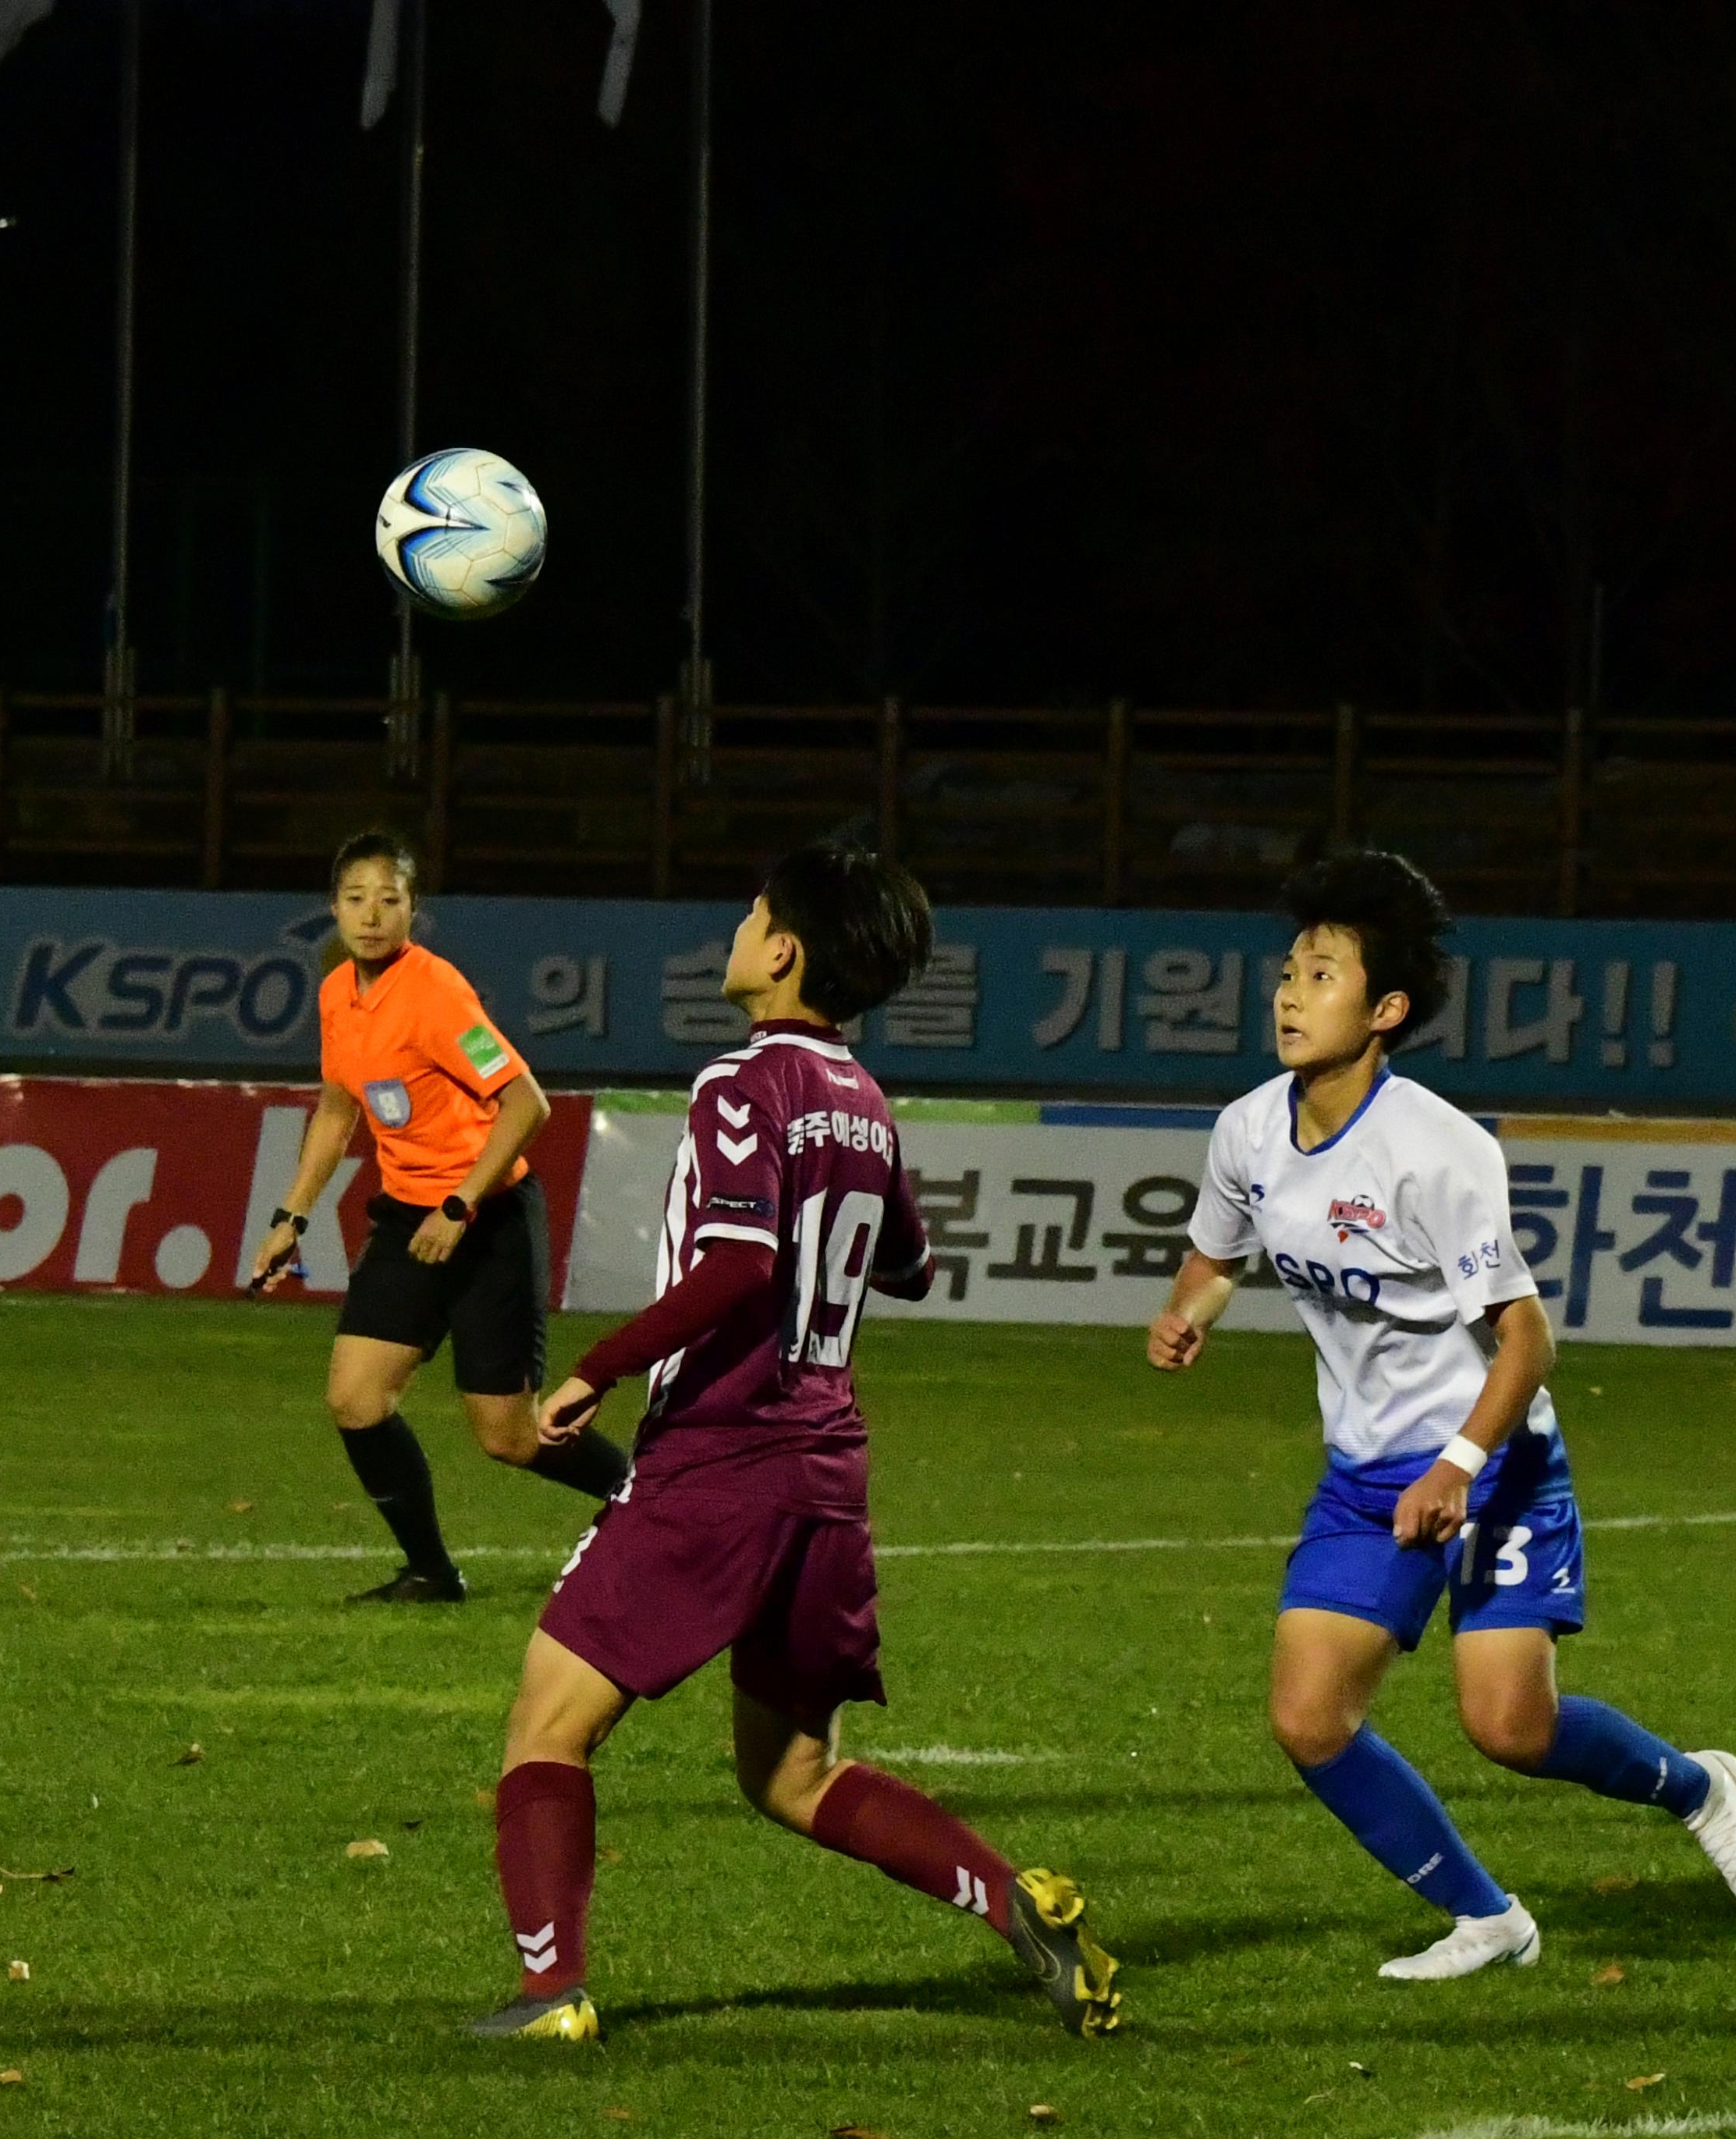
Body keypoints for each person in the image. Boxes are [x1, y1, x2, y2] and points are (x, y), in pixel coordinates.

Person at [466, 847, 1118, 2043]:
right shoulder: (864, 1103)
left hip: (721, 1458)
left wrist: (598, 1367)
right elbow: (913, 1265)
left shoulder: (742, 1085)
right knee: (789, 1774)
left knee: (547, 1724)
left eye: (752, 912)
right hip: (827, 1474)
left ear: (785, 952)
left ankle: (552, 1993)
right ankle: (1012, 1895)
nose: (737, 926)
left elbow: (743, 1264)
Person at [1145, 851, 1736, 1980]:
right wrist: (1191, 1308)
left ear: (1385, 1009)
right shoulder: (1248, 1129)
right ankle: (1490, 1919)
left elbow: (1528, 1337)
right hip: (1365, 1475)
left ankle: (1704, 1788)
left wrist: (1457, 1463)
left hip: (1491, 1461)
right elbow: (1215, 1252)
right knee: (1308, 1719)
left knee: (1510, 1728)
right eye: (1290, 970)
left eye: (1324, 975)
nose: (1291, 994)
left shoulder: (1440, 1151)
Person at [250, 830, 627, 1603]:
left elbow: (528, 1102)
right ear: (334, 908)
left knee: (509, 1437)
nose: (371, 914)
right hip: (409, 1219)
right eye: (356, 899)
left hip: (483, 1221)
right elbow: (335, 1108)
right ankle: (430, 1571)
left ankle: (660, 1505)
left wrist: (459, 1204)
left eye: (390, 899)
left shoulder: (435, 994)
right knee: (355, 1397)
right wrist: (292, 1214)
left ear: (413, 911)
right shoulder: (336, 994)